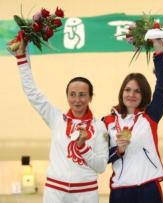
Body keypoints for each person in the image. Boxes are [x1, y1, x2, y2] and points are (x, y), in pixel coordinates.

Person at [13, 39, 108, 203]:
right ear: (67, 97)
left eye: (82, 94)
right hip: (54, 192)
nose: (77, 100)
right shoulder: (57, 119)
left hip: (86, 194)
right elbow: (33, 93)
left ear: (90, 97)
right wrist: (22, 59)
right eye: (72, 94)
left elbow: (101, 167)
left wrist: (82, 147)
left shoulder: (99, 127)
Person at [102, 39, 163, 203]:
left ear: (144, 95)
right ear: (122, 92)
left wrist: (158, 50)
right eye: (128, 90)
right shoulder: (107, 121)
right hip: (120, 191)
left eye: (137, 91)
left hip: (148, 189)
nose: (131, 95)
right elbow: (100, 158)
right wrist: (118, 150)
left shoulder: (150, 116)